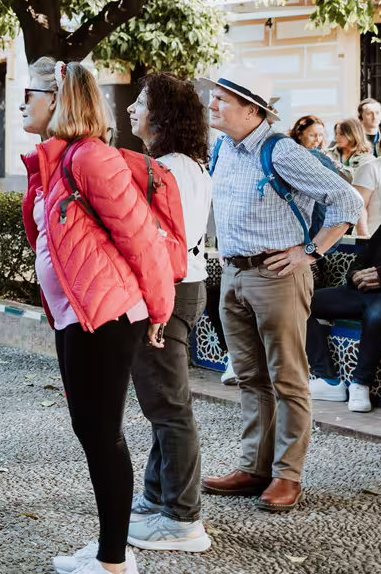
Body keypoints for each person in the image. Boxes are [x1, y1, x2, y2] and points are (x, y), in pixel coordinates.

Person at [21, 58, 174, 574]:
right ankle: (111, 546)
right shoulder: (58, 160)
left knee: (102, 431)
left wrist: (160, 309)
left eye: (30, 93)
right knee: (91, 429)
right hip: (77, 315)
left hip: (108, 316)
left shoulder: (91, 158)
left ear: (59, 99)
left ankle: (113, 560)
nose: (23, 103)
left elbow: (141, 239)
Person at [200, 67, 361, 513]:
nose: (212, 104)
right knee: (251, 378)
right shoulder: (223, 148)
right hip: (234, 274)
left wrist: (310, 251)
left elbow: (347, 201)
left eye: (221, 99)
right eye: (214, 97)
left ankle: (288, 476)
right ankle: (254, 467)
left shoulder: (281, 150)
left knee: (288, 379)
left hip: (277, 277)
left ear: (252, 109)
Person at [122, 75, 214, 554]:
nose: (132, 108)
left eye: (141, 101)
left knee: (170, 409)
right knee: (167, 404)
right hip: (185, 287)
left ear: (162, 115)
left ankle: (182, 519)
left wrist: (155, 307)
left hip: (168, 292)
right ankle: (159, 499)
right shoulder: (185, 164)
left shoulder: (163, 170)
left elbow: (156, 245)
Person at [308, 164, 381, 412]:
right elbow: (359, 261)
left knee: (377, 314)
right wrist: (356, 276)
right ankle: (328, 378)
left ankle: (361, 384)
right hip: (361, 294)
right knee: (300, 301)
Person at [330, 116, 374, 183]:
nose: (337, 138)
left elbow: (356, 179)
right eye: (336, 133)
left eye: (341, 134)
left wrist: (333, 163)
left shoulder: (368, 159)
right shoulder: (329, 153)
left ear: (353, 134)